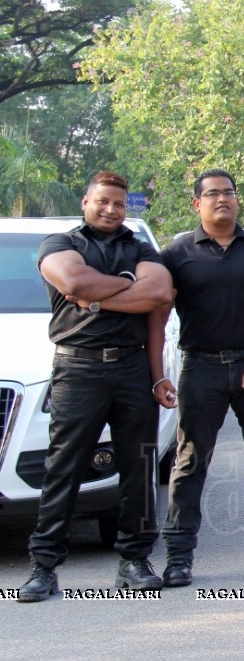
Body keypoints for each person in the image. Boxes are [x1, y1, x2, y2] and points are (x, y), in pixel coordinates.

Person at [19, 172, 173, 602]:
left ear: (127, 208)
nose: (110, 210)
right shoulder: (61, 244)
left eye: (119, 204)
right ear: (86, 201)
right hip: (77, 368)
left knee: (139, 468)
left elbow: (159, 292)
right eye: (102, 201)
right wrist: (129, 288)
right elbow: (72, 282)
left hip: (130, 369)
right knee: (63, 469)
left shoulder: (139, 247)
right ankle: (44, 567)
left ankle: (134, 560)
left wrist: (98, 297)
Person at [154, 170, 244, 585]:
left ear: (237, 200)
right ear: (197, 204)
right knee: (190, 461)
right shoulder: (176, 254)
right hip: (200, 367)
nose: (222, 200)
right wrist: (158, 375)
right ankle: (179, 558)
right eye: (212, 194)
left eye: (229, 193)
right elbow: (158, 318)